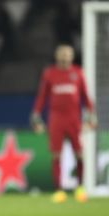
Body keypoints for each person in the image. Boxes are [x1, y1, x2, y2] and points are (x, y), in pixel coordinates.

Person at [31, 44, 96, 203]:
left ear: (72, 56)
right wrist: (36, 116)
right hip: (56, 119)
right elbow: (41, 97)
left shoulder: (78, 73)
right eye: (62, 54)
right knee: (56, 154)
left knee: (79, 154)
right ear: (57, 56)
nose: (65, 57)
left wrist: (91, 118)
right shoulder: (49, 73)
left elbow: (86, 98)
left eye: (68, 54)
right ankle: (59, 191)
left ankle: (80, 188)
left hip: (74, 119)